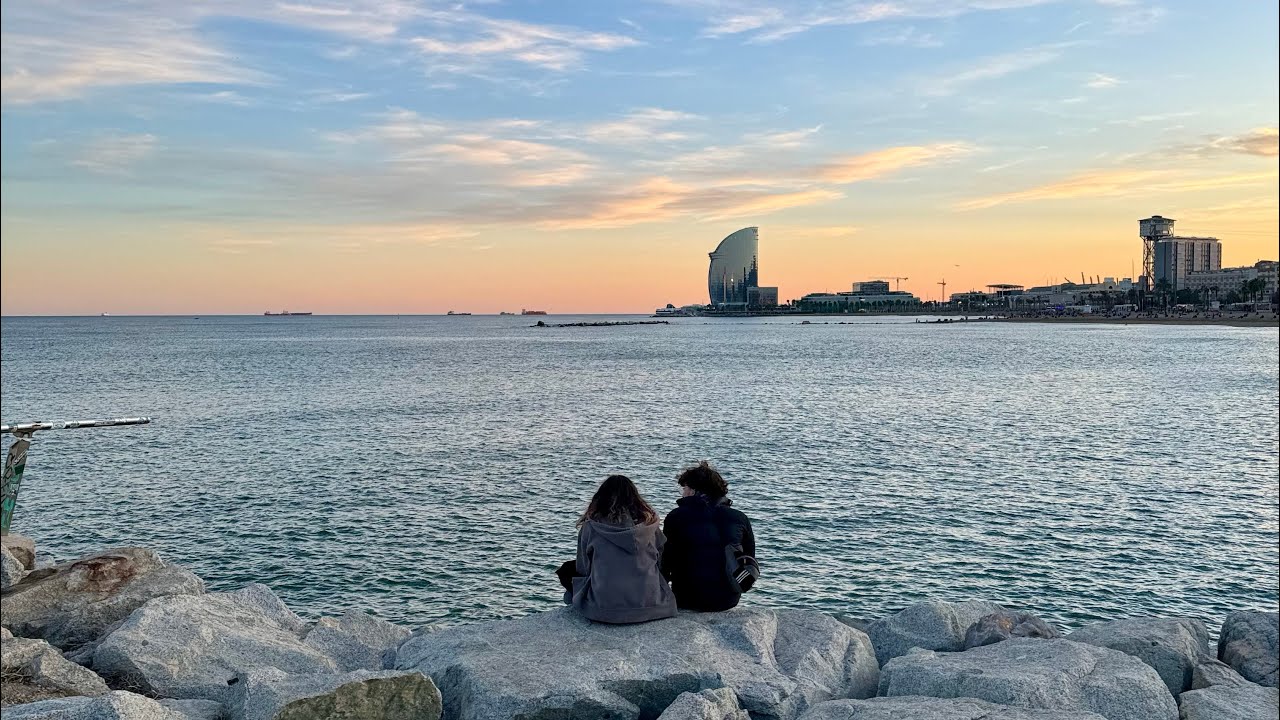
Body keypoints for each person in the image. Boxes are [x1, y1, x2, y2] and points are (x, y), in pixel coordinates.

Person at [559, 475, 677, 624]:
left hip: (605, 609)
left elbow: (583, 568)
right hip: (650, 606)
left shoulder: (591, 526)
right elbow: (660, 562)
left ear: (601, 498)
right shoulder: (650, 526)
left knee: (568, 581)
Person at [661, 461, 756, 611]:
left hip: (687, 599)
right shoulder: (740, 518)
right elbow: (750, 559)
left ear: (693, 491)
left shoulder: (676, 517)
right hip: (728, 600)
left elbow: (666, 562)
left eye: (684, 488)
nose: (683, 493)